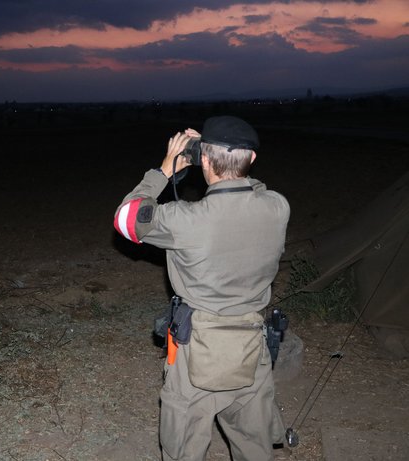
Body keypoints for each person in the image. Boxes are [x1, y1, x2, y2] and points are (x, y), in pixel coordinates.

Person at [114, 116, 290, 460]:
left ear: (203, 161)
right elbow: (252, 188)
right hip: (252, 350)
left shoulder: (184, 220)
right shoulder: (277, 208)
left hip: (195, 352)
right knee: (254, 448)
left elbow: (126, 218)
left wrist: (164, 170)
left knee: (183, 448)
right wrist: (226, 159)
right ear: (252, 160)